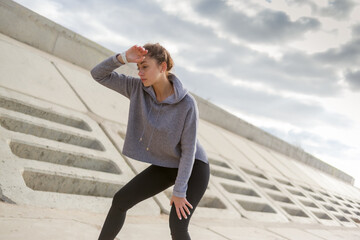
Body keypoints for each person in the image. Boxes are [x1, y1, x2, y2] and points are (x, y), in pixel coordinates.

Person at [91, 43, 210, 240]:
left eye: (145, 67)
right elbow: (98, 74)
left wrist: (180, 191)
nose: (140, 73)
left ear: (162, 67)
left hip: (194, 167)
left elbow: (188, 150)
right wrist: (123, 57)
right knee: (121, 200)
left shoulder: (187, 104)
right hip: (166, 164)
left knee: (178, 225)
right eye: (138, 68)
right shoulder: (136, 88)